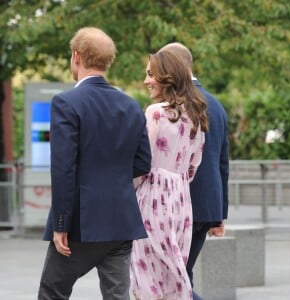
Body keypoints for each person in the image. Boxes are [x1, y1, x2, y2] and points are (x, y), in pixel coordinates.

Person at [38, 27, 152, 300]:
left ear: (76, 56)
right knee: (117, 296)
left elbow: (64, 168)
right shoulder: (131, 105)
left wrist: (60, 223)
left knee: (52, 292)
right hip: (121, 220)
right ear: (107, 61)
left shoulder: (66, 102)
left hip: (81, 222)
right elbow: (143, 162)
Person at [130, 50, 209, 300]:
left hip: (151, 201)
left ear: (168, 77)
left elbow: (141, 164)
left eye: (151, 74)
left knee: (146, 283)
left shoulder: (156, 112)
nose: (146, 81)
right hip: (180, 203)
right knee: (172, 281)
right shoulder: (196, 115)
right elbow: (193, 167)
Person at [161, 42, 229, 300]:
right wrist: (220, 213)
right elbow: (223, 163)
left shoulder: (177, 105)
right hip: (207, 205)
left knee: (175, 279)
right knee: (181, 275)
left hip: (181, 205)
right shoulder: (216, 105)